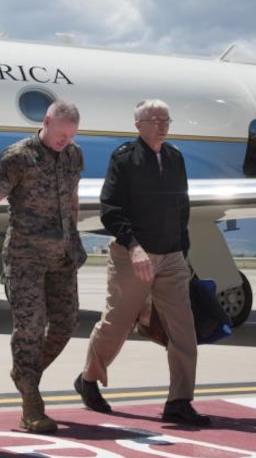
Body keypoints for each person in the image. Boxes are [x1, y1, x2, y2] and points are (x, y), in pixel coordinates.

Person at [74, 99, 211, 426]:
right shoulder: (125, 159)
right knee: (116, 324)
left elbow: (183, 206)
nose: (163, 125)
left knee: (183, 330)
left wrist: (184, 251)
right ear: (139, 125)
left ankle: (179, 401)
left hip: (172, 255)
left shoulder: (176, 158)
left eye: (166, 119)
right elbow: (110, 209)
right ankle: (89, 379)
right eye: (156, 119)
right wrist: (134, 246)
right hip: (132, 255)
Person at [0, 100, 85, 433]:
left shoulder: (74, 156)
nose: (64, 140)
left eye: (70, 135)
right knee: (30, 327)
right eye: (60, 133)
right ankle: (31, 405)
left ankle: (26, 375)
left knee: (66, 324)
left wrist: (75, 235)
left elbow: (73, 197)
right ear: (47, 121)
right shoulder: (18, 157)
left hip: (62, 256)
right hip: (25, 258)